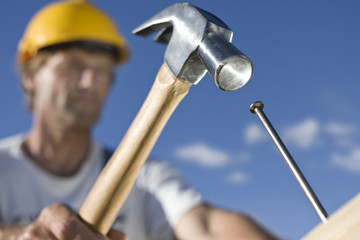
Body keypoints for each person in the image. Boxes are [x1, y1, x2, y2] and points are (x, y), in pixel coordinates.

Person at [0, 0, 279, 239]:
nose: (90, 81)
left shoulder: (148, 178)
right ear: (30, 77)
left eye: (102, 70)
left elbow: (205, 226)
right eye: (72, 66)